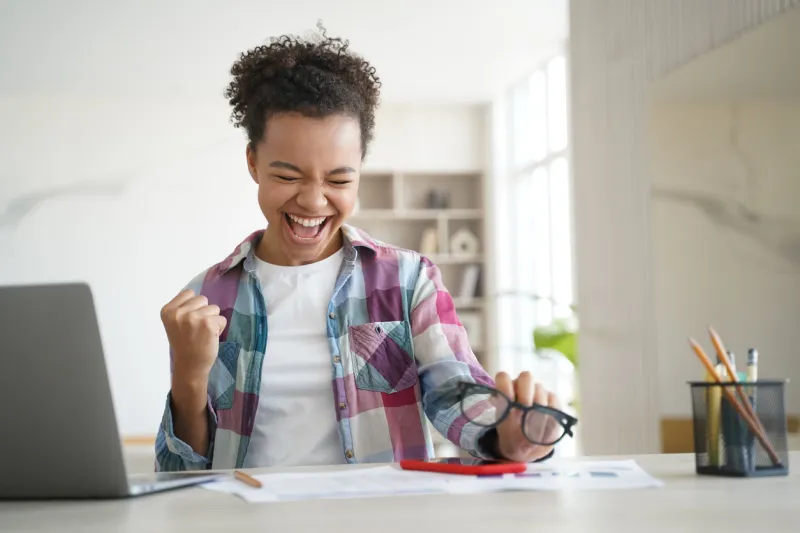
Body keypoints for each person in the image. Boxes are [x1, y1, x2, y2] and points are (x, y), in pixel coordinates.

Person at [155, 27, 566, 472]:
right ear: (253, 161)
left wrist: (512, 433)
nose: (313, 201)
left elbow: (454, 390)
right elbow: (182, 476)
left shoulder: (408, 280)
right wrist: (189, 378)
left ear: (360, 170)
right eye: (288, 176)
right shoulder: (206, 298)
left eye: (338, 179)